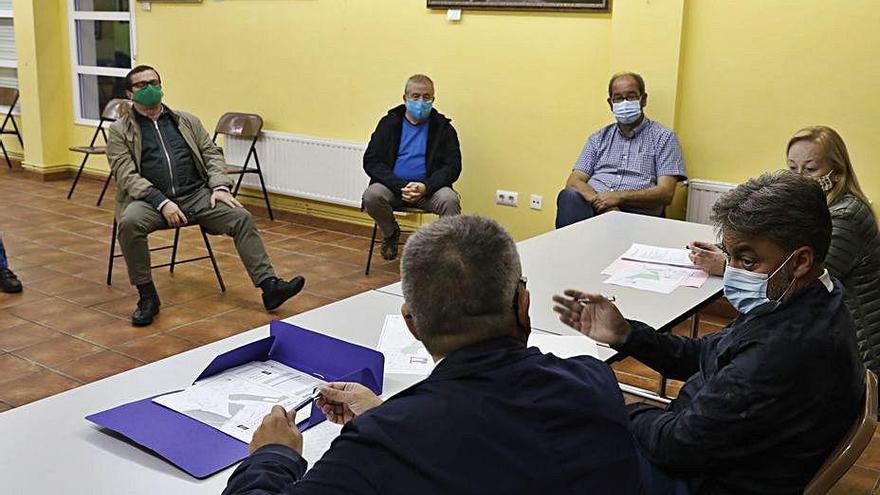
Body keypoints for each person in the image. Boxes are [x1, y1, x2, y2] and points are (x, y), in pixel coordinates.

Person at [223, 215, 643, 495]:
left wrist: (272, 456)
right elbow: (488, 441)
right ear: (523, 306)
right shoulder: (595, 382)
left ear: (412, 324)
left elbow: (445, 437)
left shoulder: (379, 448)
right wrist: (384, 415)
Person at [554, 171, 865, 494]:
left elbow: (675, 446)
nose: (731, 271)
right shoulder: (811, 297)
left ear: (800, 261)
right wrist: (627, 335)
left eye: (746, 260)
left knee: (560, 446)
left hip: (706, 480)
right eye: (728, 256)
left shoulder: (780, 352)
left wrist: (618, 405)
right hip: (715, 449)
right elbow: (705, 353)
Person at [107, 65, 305, 327]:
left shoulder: (186, 121)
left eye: (154, 82)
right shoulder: (120, 131)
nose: (150, 89)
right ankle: (147, 297)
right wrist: (162, 202)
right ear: (130, 94)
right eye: (142, 85)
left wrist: (220, 187)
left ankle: (270, 287)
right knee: (129, 223)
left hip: (196, 195)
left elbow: (212, 154)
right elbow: (126, 175)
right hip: (149, 202)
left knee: (240, 216)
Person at [690, 126, 880, 374]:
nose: (800, 176)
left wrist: (724, 264)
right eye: (792, 168)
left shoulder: (845, 215)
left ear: (837, 172)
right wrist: (726, 249)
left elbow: (793, 276)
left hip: (851, 348)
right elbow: (776, 246)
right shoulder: (815, 207)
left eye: (811, 169)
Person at [556, 72, 687, 228]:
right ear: (611, 103)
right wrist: (605, 204)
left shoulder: (664, 138)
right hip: (593, 208)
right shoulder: (598, 138)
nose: (624, 103)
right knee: (569, 196)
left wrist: (619, 198)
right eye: (618, 98)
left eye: (631, 96)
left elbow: (665, 194)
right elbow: (574, 180)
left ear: (643, 99)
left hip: (635, 216)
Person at [362, 74, 462, 261]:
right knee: (371, 196)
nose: (421, 101)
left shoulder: (443, 128)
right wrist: (400, 185)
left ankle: (441, 254)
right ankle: (391, 233)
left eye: (426, 97)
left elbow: (453, 166)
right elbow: (371, 160)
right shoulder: (389, 124)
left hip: (429, 191)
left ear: (433, 99)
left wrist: (425, 186)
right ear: (405, 98)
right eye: (415, 96)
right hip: (394, 188)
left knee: (450, 200)